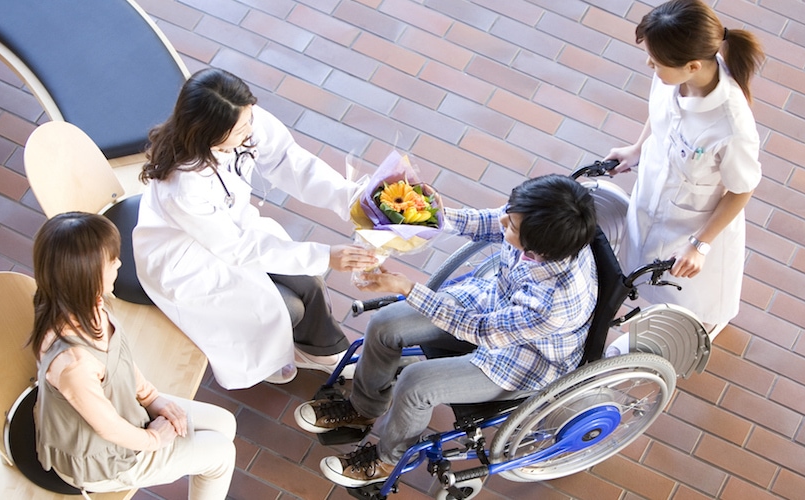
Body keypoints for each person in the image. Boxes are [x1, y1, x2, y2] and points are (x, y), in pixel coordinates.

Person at [295, 174, 599, 487]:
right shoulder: (534, 224)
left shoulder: (556, 302)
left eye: (512, 225)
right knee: (385, 324)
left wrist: (407, 288)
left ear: (539, 250)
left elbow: (480, 331)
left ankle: (389, 459)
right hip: (494, 302)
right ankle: (363, 408)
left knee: (415, 385)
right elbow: (487, 223)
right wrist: (430, 213)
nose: (504, 219)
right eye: (511, 209)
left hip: (524, 358)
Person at [133, 68, 378, 389]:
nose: (251, 130)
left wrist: (354, 199)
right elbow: (237, 249)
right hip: (187, 261)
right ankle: (280, 354)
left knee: (310, 282)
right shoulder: (184, 187)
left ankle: (326, 352)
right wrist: (326, 255)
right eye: (242, 127)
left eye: (250, 118)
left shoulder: (240, 119)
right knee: (284, 309)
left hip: (233, 234)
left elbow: (291, 163)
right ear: (210, 133)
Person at [30, 212, 236, 498]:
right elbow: (108, 428)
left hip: (124, 411)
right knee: (221, 454)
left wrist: (153, 398)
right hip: (102, 458)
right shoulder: (73, 364)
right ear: (85, 276)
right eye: (111, 260)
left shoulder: (85, 303)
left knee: (225, 424)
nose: (119, 264)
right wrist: (154, 438)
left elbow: (120, 360)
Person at [604, 0, 764, 344]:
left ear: (692, 66)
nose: (650, 64)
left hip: (695, 221)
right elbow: (662, 115)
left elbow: (742, 190)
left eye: (656, 61)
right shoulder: (670, 74)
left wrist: (700, 245)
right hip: (654, 189)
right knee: (642, 261)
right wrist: (636, 148)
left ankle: (701, 327)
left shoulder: (731, 126)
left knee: (689, 291)